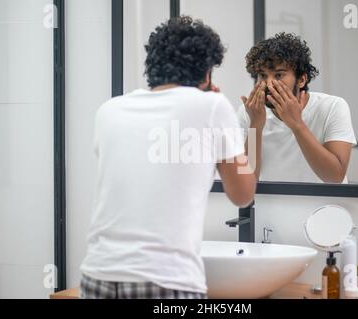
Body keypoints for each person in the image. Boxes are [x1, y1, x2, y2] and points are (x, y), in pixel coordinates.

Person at [80, 16, 256, 299]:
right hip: (166, 280)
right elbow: (243, 195)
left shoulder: (109, 110)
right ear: (206, 72)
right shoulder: (212, 105)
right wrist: (252, 126)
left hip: (97, 275)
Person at [239, 32, 357, 183]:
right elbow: (246, 181)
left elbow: (335, 177)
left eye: (279, 75)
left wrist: (296, 124)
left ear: (301, 80)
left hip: (324, 204)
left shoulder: (332, 107)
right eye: (262, 75)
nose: (268, 84)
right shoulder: (248, 112)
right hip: (271, 205)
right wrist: (255, 125)